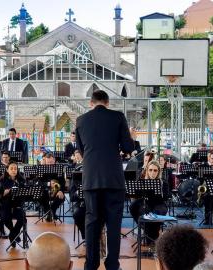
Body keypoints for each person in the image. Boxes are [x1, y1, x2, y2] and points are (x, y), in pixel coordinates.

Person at [75, 90, 134, 270]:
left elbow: (81, 150)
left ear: (91, 103)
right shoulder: (117, 117)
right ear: (107, 103)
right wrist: (130, 138)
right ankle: (112, 264)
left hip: (91, 178)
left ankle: (91, 265)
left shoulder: (81, 120)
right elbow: (127, 147)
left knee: (92, 223)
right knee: (113, 224)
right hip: (113, 179)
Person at [129, 160, 168, 244]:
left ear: (158, 172)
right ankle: (143, 227)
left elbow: (166, 196)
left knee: (157, 212)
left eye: (155, 170)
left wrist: (160, 194)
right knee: (133, 207)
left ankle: (151, 236)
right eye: (150, 170)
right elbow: (136, 194)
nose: (152, 172)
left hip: (159, 204)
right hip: (145, 203)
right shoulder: (142, 181)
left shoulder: (163, 183)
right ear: (147, 171)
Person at [0, 162, 26, 247]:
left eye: (15, 168)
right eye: (11, 168)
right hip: (5, 206)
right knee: (5, 218)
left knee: (23, 219)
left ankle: (12, 235)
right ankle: (14, 235)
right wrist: (4, 192)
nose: (14, 170)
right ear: (7, 170)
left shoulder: (21, 180)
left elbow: (25, 193)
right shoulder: (2, 180)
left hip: (17, 205)